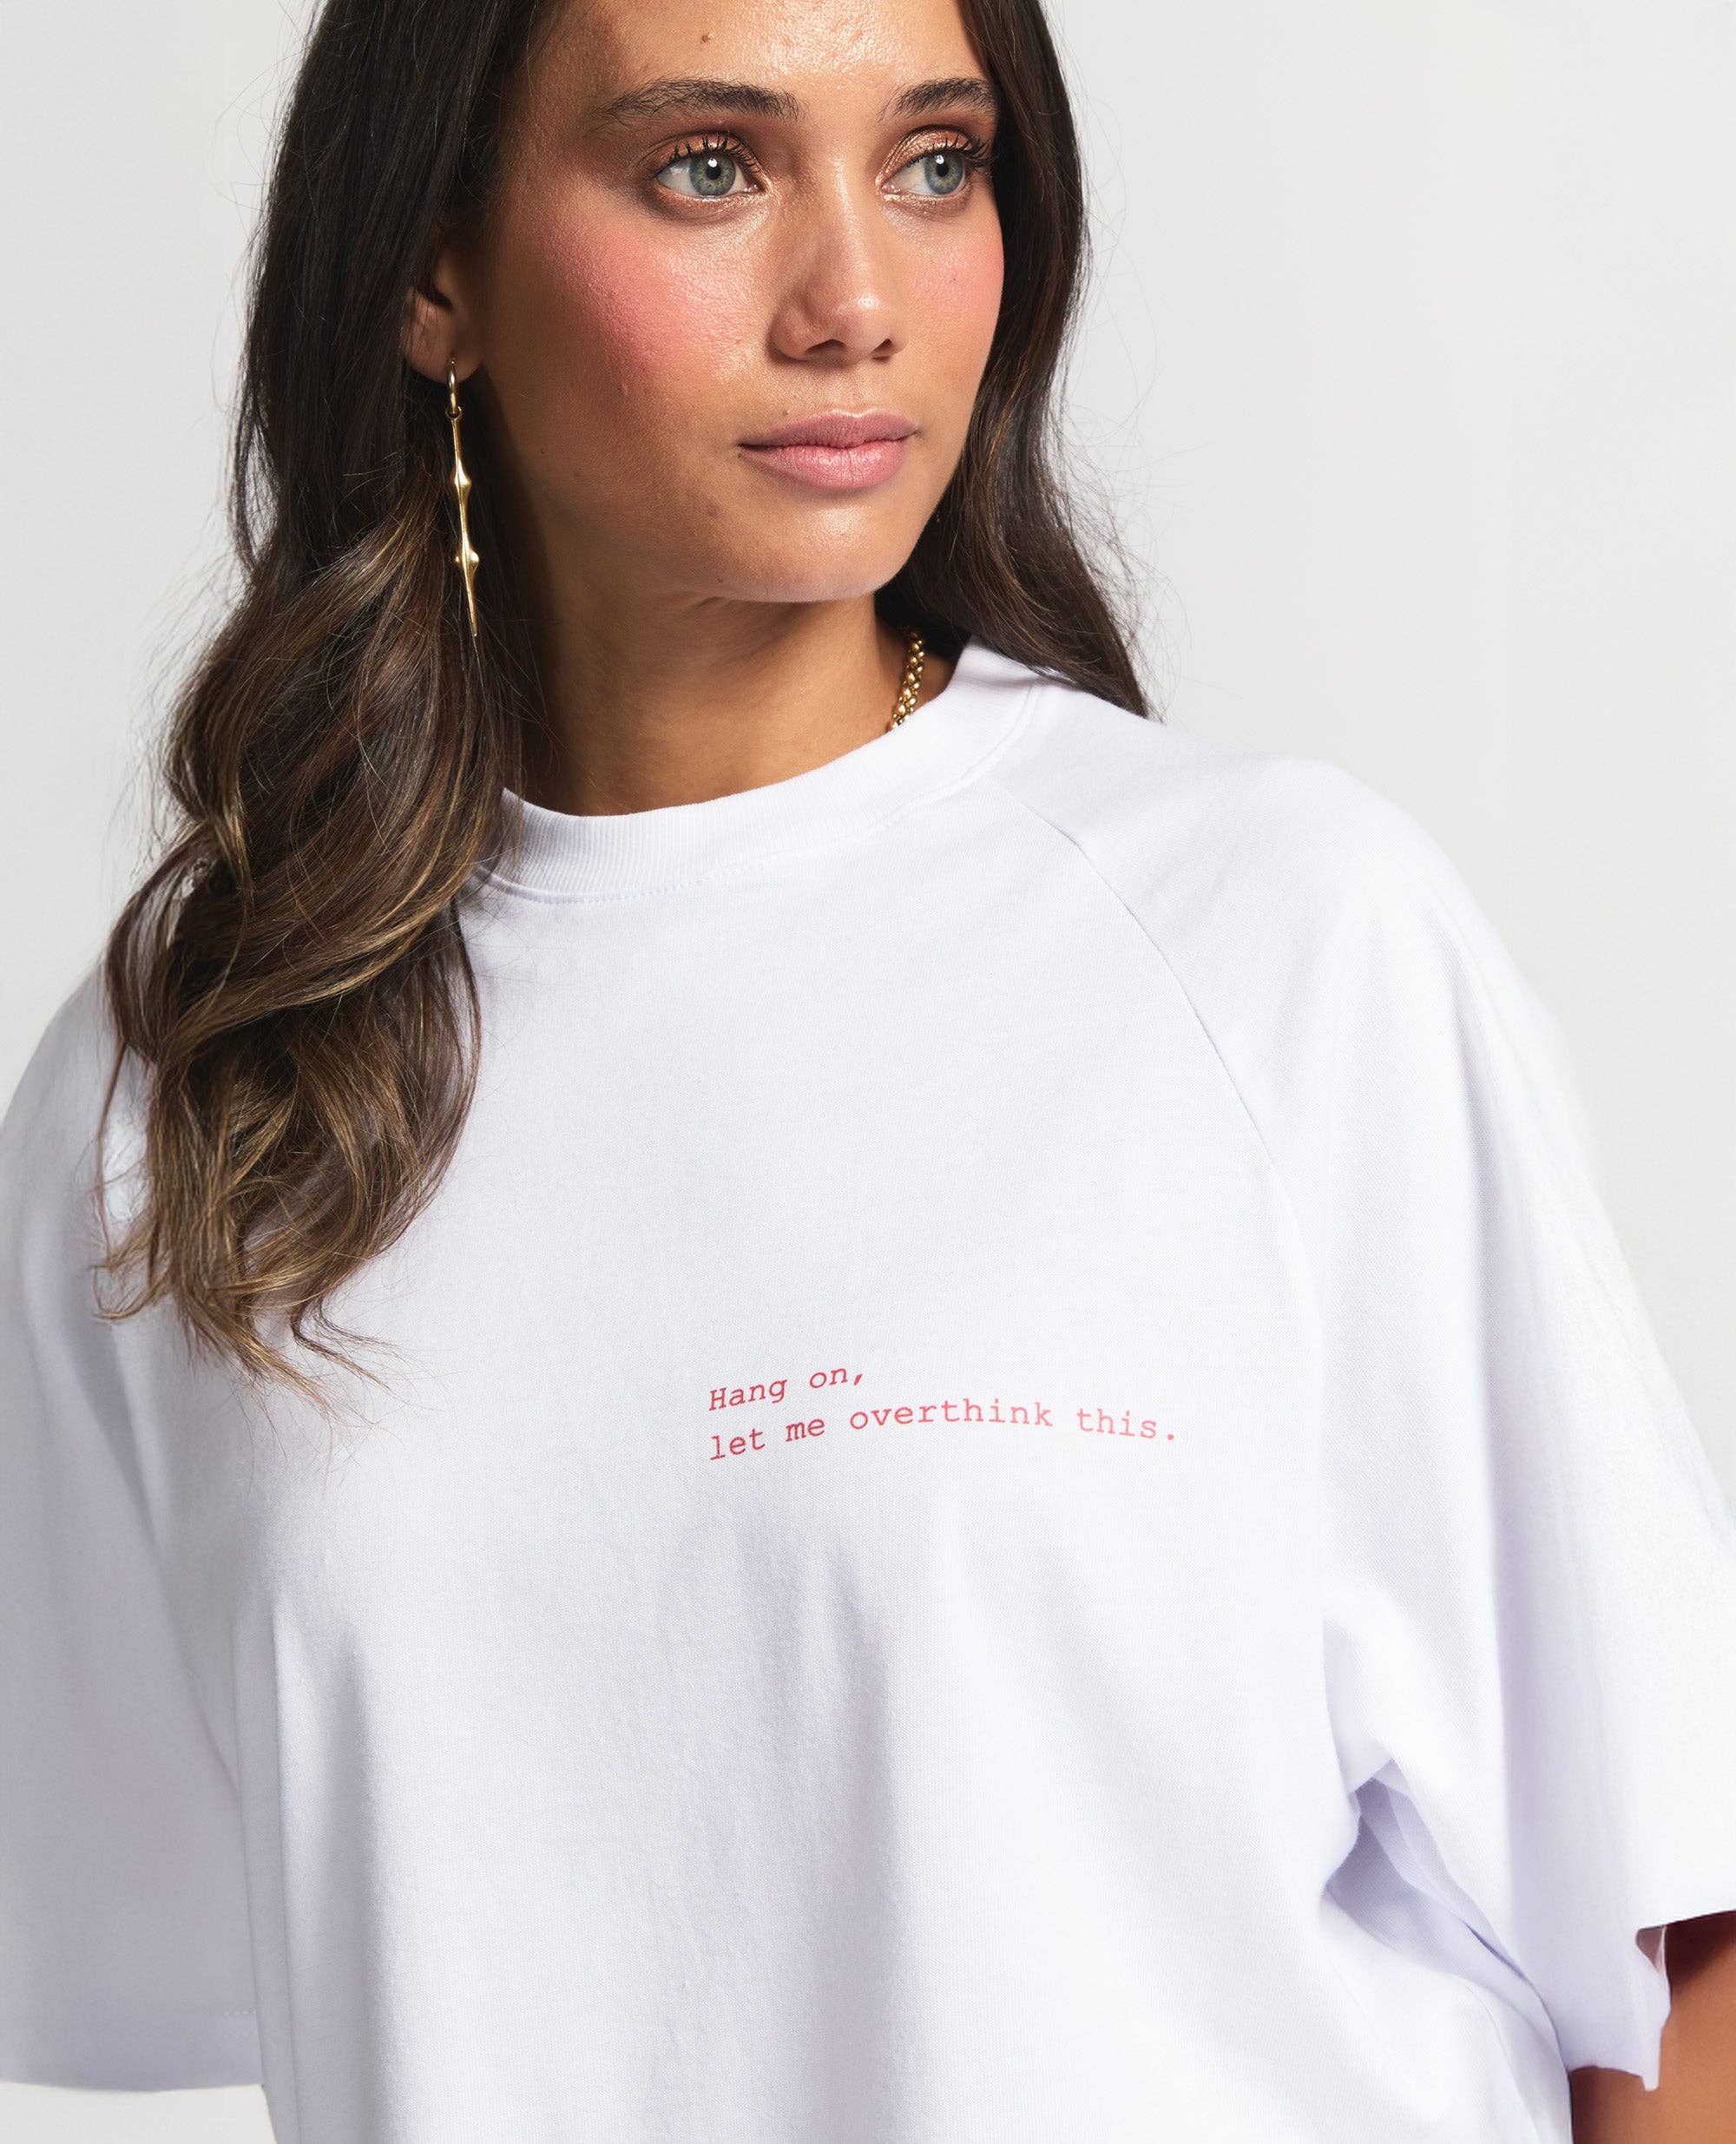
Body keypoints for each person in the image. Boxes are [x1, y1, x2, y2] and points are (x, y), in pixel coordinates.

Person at [3, 0, 1734, 2138]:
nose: (855, 302)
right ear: (433, 267)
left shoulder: (1273, 939)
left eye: (933, 163)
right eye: (708, 168)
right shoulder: (190, 1086)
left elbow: (1674, 1931)